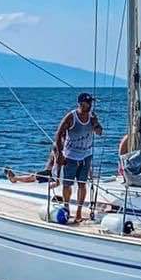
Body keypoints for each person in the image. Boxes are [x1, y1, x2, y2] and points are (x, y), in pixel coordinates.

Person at [55, 92, 103, 224]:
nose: (91, 105)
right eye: (88, 103)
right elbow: (59, 134)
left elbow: (99, 133)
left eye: (91, 103)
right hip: (71, 155)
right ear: (82, 103)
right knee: (68, 183)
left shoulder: (92, 116)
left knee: (82, 184)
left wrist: (96, 124)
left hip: (86, 155)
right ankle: (66, 207)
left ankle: (79, 212)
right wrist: (59, 153)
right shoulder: (71, 117)